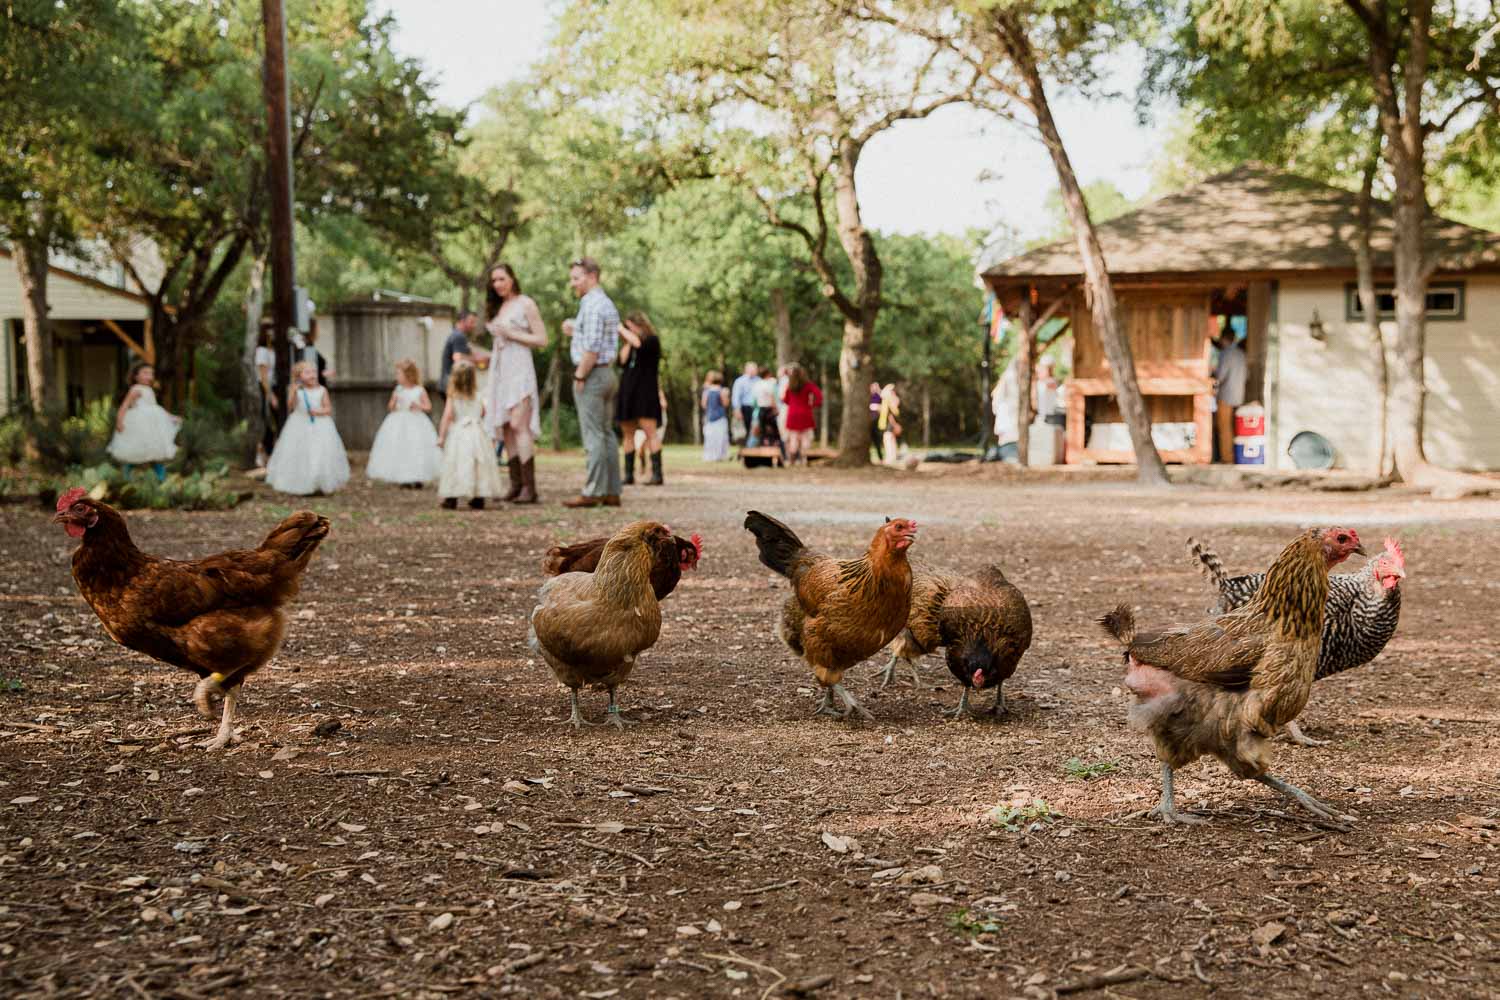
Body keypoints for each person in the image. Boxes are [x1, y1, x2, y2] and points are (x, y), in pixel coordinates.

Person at [560, 257, 622, 508]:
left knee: (593, 434)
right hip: (607, 373)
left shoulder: (593, 305)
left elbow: (593, 347)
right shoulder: (604, 303)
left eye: (577, 278)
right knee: (606, 433)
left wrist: (579, 375)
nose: (572, 283)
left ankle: (593, 491)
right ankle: (611, 491)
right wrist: (575, 328)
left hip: (593, 374)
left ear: (592, 276)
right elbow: (596, 335)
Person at [482, 264, 546, 504]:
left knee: (520, 424)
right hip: (500, 369)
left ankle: (530, 487)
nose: (498, 284)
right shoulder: (498, 307)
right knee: (506, 426)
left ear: (512, 278)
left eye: (502, 279)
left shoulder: (525, 303)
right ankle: (515, 484)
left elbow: (542, 339)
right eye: (494, 280)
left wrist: (512, 334)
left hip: (520, 368)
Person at [266, 360, 350, 496]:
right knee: (300, 453)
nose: (312, 375)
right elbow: (291, 406)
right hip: (299, 424)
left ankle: (318, 483)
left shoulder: (322, 390)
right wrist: (293, 392)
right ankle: (300, 484)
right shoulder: (298, 391)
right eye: (308, 373)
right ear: (299, 376)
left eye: (314, 372)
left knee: (319, 452)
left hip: (321, 426)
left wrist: (318, 412)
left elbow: (328, 409)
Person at [436, 361, 502, 510]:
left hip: (459, 434)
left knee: (456, 464)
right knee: (477, 465)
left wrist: (441, 436)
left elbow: (447, 416)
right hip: (477, 433)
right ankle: (478, 496)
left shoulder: (453, 397)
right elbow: (484, 413)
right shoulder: (478, 396)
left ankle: (451, 496)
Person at [366, 359, 441, 488]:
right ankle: (403, 477)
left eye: (399, 374)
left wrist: (418, 405)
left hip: (416, 422)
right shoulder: (398, 389)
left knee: (416, 448)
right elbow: (390, 406)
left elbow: (428, 406)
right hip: (398, 421)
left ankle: (418, 477)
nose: (397, 377)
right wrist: (395, 403)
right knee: (400, 448)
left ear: (408, 375)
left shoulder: (419, 390)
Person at [616, 311, 665, 486]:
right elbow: (621, 361)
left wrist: (622, 329)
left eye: (630, 327)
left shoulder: (652, 341)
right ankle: (628, 474)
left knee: (650, 432)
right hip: (628, 393)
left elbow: (639, 344)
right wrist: (626, 342)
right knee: (627, 433)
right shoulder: (630, 344)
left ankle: (657, 474)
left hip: (646, 393)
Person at [108, 362, 179, 481]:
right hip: (138, 426)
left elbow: (156, 408)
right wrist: (119, 421)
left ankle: (160, 478)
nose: (149, 376)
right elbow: (124, 406)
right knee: (133, 451)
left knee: (156, 453)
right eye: (145, 373)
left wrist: (171, 417)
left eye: (151, 374)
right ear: (136, 376)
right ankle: (126, 478)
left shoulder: (149, 389)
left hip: (152, 427)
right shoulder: (136, 389)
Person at [1213, 328, 1248, 464]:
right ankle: (1239, 455)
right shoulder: (1241, 354)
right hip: (1240, 395)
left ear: (1223, 339)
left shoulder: (1225, 354)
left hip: (1226, 395)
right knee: (1236, 427)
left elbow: (1220, 376)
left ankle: (1227, 458)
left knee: (1224, 428)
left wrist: (1213, 384)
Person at [781, 363, 823, 465]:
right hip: (805, 413)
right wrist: (814, 404)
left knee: (793, 438)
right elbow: (819, 395)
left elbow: (785, 400)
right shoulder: (808, 385)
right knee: (805, 438)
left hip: (792, 414)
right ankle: (805, 460)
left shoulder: (789, 386)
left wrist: (793, 403)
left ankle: (792, 461)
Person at [253, 330, 279, 468]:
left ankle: (269, 455)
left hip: (274, 387)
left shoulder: (273, 350)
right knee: (266, 421)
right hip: (265, 389)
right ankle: (260, 453)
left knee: (274, 423)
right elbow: (263, 377)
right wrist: (271, 396)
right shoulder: (262, 351)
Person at [440, 310, 480, 393]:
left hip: (448, 382)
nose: (474, 325)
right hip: (452, 383)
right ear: (462, 321)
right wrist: (476, 359)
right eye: (471, 322)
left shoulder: (456, 334)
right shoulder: (459, 336)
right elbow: (458, 358)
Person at [990, 357, 1021, 463]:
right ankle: (1009, 457)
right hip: (1007, 415)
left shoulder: (1010, 377)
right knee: (1007, 438)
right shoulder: (1010, 377)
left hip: (1009, 414)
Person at [701, 371, 731, 461]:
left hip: (709, 417)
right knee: (721, 438)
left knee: (710, 438)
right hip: (720, 417)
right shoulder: (721, 391)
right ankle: (721, 455)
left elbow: (703, 405)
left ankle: (710, 456)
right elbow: (725, 404)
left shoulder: (706, 391)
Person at [730, 362, 759, 445]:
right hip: (745, 408)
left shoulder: (759, 380)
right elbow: (736, 396)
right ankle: (744, 448)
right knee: (744, 430)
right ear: (746, 370)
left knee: (754, 429)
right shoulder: (740, 381)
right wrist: (737, 409)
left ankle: (752, 447)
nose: (753, 371)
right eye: (751, 369)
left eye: (754, 369)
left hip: (756, 408)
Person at [878, 382, 903, 465]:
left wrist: (895, 424)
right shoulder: (889, 400)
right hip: (889, 423)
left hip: (891, 423)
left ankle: (890, 458)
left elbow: (892, 414)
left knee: (888, 439)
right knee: (891, 440)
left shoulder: (892, 400)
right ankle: (892, 457)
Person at [869, 381, 883, 461]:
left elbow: (883, 405)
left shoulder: (878, 396)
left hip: (875, 419)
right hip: (870, 419)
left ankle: (880, 457)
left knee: (876, 438)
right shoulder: (868, 396)